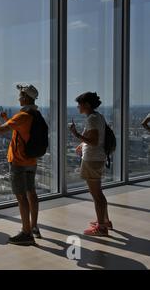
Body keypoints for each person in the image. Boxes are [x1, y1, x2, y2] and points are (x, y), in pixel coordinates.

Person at [0, 84, 42, 245]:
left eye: (20, 95)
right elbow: (22, 133)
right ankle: (34, 226)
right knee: (31, 192)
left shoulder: (23, 115)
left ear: (25, 97)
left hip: (19, 161)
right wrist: (6, 119)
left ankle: (26, 233)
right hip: (31, 160)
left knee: (21, 196)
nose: (18, 98)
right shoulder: (35, 114)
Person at [69, 92, 112, 236]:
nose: (77, 107)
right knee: (99, 193)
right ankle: (104, 221)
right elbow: (96, 139)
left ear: (86, 104)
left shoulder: (92, 119)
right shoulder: (98, 116)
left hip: (92, 159)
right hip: (97, 157)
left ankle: (101, 227)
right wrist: (82, 144)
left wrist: (77, 135)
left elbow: (93, 141)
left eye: (79, 104)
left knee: (96, 194)